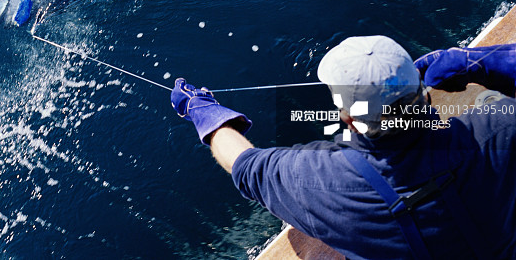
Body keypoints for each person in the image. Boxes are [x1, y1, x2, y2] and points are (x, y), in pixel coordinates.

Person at [172, 35, 516, 259]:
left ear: (349, 120)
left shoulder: (320, 181)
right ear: (426, 96)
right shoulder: (500, 128)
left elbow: (244, 164)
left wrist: (203, 112)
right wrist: (478, 62)